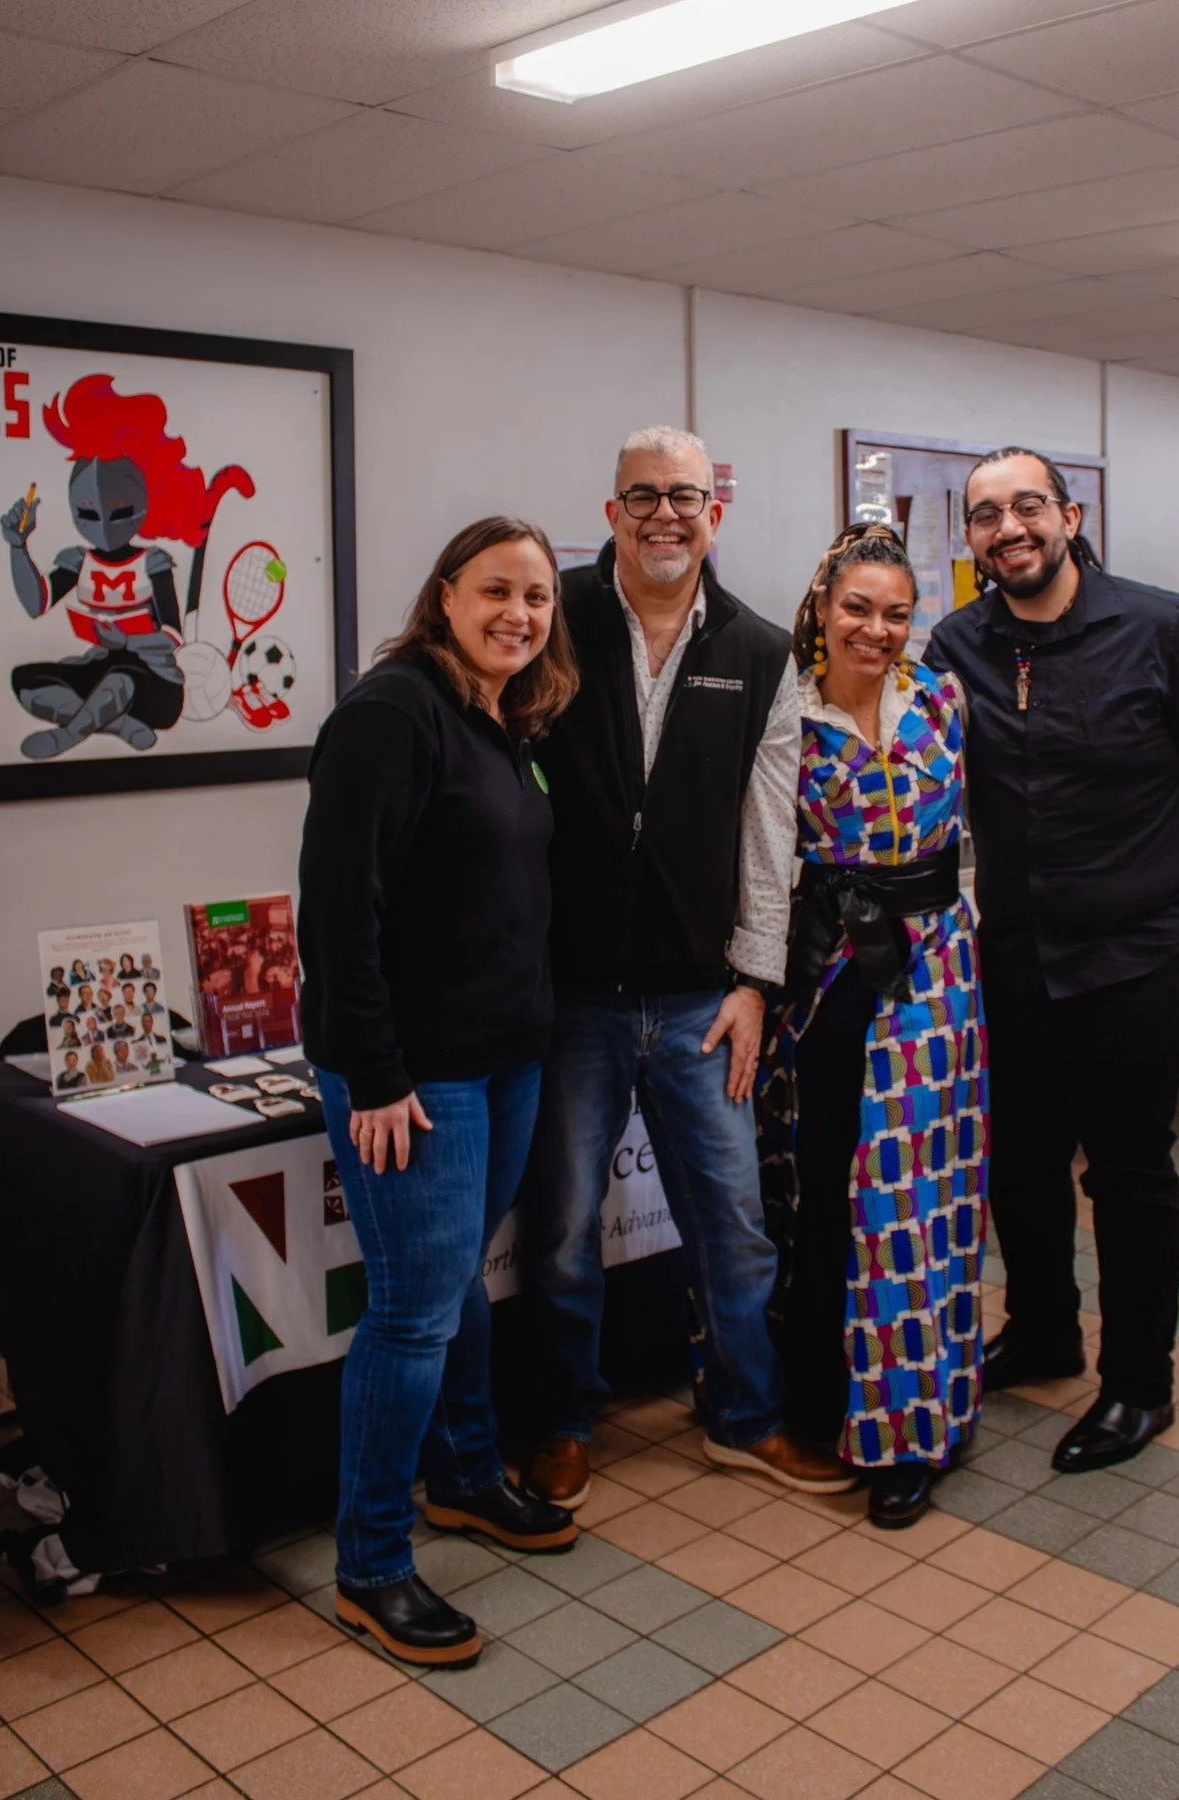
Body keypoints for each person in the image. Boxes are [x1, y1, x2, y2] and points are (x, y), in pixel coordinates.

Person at [520, 426, 852, 1509]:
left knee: (733, 1225)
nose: (665, 514)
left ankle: (746, 1418)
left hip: (702, 999)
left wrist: (754, 983)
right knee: (562, 1231)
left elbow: (770, 835)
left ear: (718, 510)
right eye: (644, 495)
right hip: (573, 996)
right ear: (610, 511)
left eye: (685, 496)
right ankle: (563, 1421)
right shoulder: (553, 623)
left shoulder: (759, 653)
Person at [925, 447, 1179, 1473]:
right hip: (1012, 957)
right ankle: (1042, 1332)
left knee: (1128, 1172)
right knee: (1019, 1164)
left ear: (1069, 518)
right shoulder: (956, 645)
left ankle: (1138, 1385)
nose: (1009, 528)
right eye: (986, 515)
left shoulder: (1162, 629)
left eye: (1028, 506)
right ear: (971, 538)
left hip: (1136, 954)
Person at [297, 516, 581, 1669]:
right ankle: (369, 1566)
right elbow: (337, 909)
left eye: (539, 598)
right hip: (415, 1077)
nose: (520, 613)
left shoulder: (500, 719)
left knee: (460, 1278)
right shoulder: (392, 711)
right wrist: (372, 1071)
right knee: (413, 1312)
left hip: (506, 1057)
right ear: (446, 594)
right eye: (497, 590)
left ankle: (463, 1476)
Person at [759, 524, 986, 1530]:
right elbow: (760, 856)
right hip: (827, 975)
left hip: (936, 977)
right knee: (823, 1191)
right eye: (857, 608)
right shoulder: (785, 713)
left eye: (897, 613)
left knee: (919, 1194)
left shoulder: (940, 700)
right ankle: (819, 1405)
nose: (877, 629)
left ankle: (915, 1429)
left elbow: (981, 830)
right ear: (822, 607)